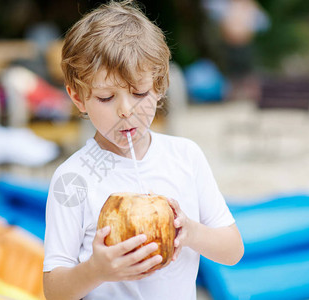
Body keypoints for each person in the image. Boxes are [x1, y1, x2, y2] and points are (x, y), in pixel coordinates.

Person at [43, 1, 244, 299]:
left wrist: (191, 231)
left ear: (160, 85)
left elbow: (233, 250)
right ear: (78, 98)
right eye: (106, 97)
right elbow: (53, 291)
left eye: (139, 93)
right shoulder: (72, 179)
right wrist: (96, 270)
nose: (126, 110)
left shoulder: (186, 157)